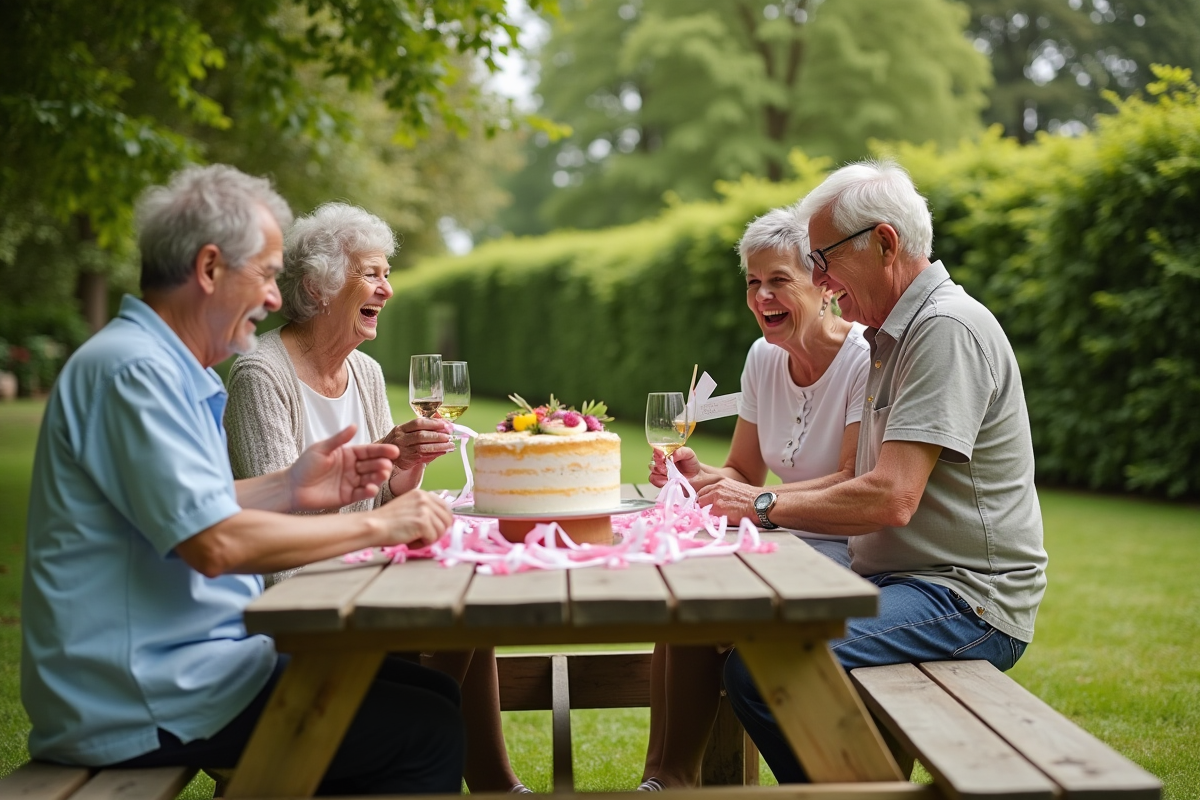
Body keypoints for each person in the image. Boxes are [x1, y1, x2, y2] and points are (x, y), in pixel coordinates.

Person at [20, 165, 464, 795]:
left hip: (190, 671)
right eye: (264, 274)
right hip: (141, 698)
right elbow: (214, 544)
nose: (278, 298)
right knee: (425, 729)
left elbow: (182, 509)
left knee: (433, 693)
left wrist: (290, 485)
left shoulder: (164, 367)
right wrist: (380, 522)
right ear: (208, 270)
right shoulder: (134, 374)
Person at [708, 160, 1048, 783]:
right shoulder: (894, 335)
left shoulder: (943, 329)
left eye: (822, 260)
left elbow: (892, 498)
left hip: (965, 600)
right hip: (900, 581)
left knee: (764, 668)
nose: (821, 281)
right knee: (736, 627)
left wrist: (760, 506)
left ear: (886, 244)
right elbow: (854, 479)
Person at [224, 202, 527, 793]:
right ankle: (475, 778)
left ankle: (495, 782)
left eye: (387, 274)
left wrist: (403, 465)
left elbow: (380, 500)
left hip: (360, 570)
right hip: (299, 595)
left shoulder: (364, 372)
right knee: (458, 623)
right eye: (371, 273)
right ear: (318, 287)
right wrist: (375, 496)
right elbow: (273, 523)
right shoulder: (261, 375)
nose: (386, 289)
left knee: (469, 605)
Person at [638, 206, 871, 790]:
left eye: (777, 280)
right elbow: (743, 468)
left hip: (846, 545)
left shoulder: (865, 357)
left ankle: (674, 777)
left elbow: (851, 475)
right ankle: (664, 778)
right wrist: (696, 472)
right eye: (752, 282)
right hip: (779, 533)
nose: (761, 295)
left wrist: (750, 497)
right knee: (683, 585)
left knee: (706, 598)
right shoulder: (763, 358)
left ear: (822, 284)